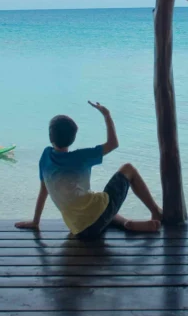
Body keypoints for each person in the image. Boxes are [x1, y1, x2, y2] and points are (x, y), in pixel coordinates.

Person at [15, 101, 163, 239]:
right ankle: (156, 212)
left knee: (94, 203)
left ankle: (126, 223)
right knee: (128, 169)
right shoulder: (82, 157)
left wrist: (35, 221)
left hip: (79, 229)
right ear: (73, 138)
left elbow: (43, 191)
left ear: (50, 137)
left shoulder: (45, 157)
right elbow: (113, 144)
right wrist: (107, 116)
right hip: (97, 220)